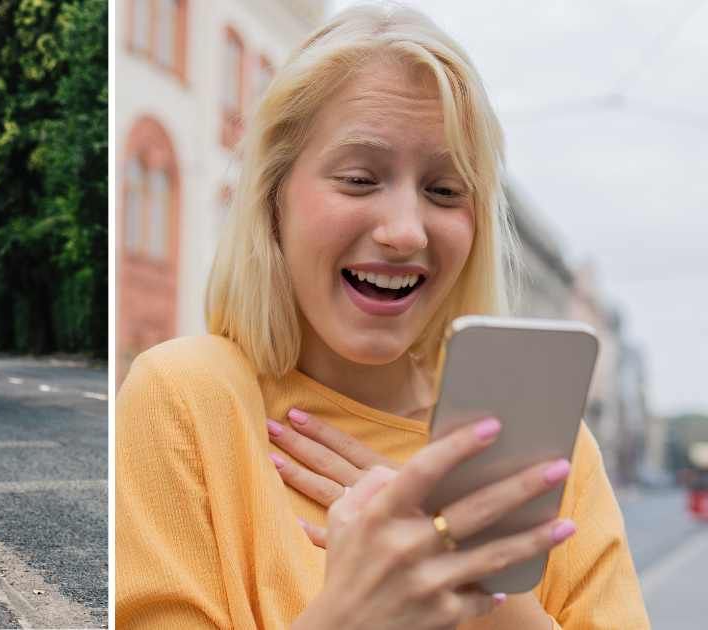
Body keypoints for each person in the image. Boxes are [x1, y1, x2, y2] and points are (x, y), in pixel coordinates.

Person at [115, 5, 648, 629]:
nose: (404, 232)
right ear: (273, 197)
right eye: (360, 179)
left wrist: (476, 580)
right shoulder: (186, 400)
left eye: (446, 190)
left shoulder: (550, 450)